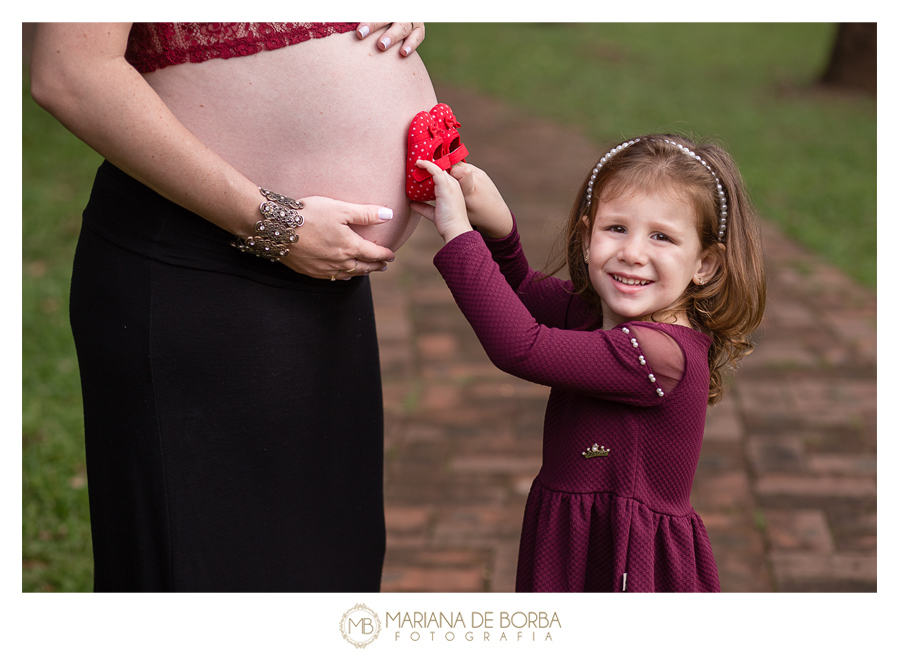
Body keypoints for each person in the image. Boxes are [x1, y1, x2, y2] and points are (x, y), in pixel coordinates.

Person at [29, 22, 437, 592]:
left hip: (324, 281)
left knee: (323, 577)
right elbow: (69, 74)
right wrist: (276, 224)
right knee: (211, 580)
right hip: (198, 269)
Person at [412, 134, 766, 592]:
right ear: (585, 237)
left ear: (706, 264)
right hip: (578, 538)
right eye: (616, 228)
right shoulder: (595, 313)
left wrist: (459, 235)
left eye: (662, 236)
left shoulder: (659, 356)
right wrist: (498, 227)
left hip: (625, 563)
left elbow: (520, 346)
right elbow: (520, 290)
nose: (633, 252)